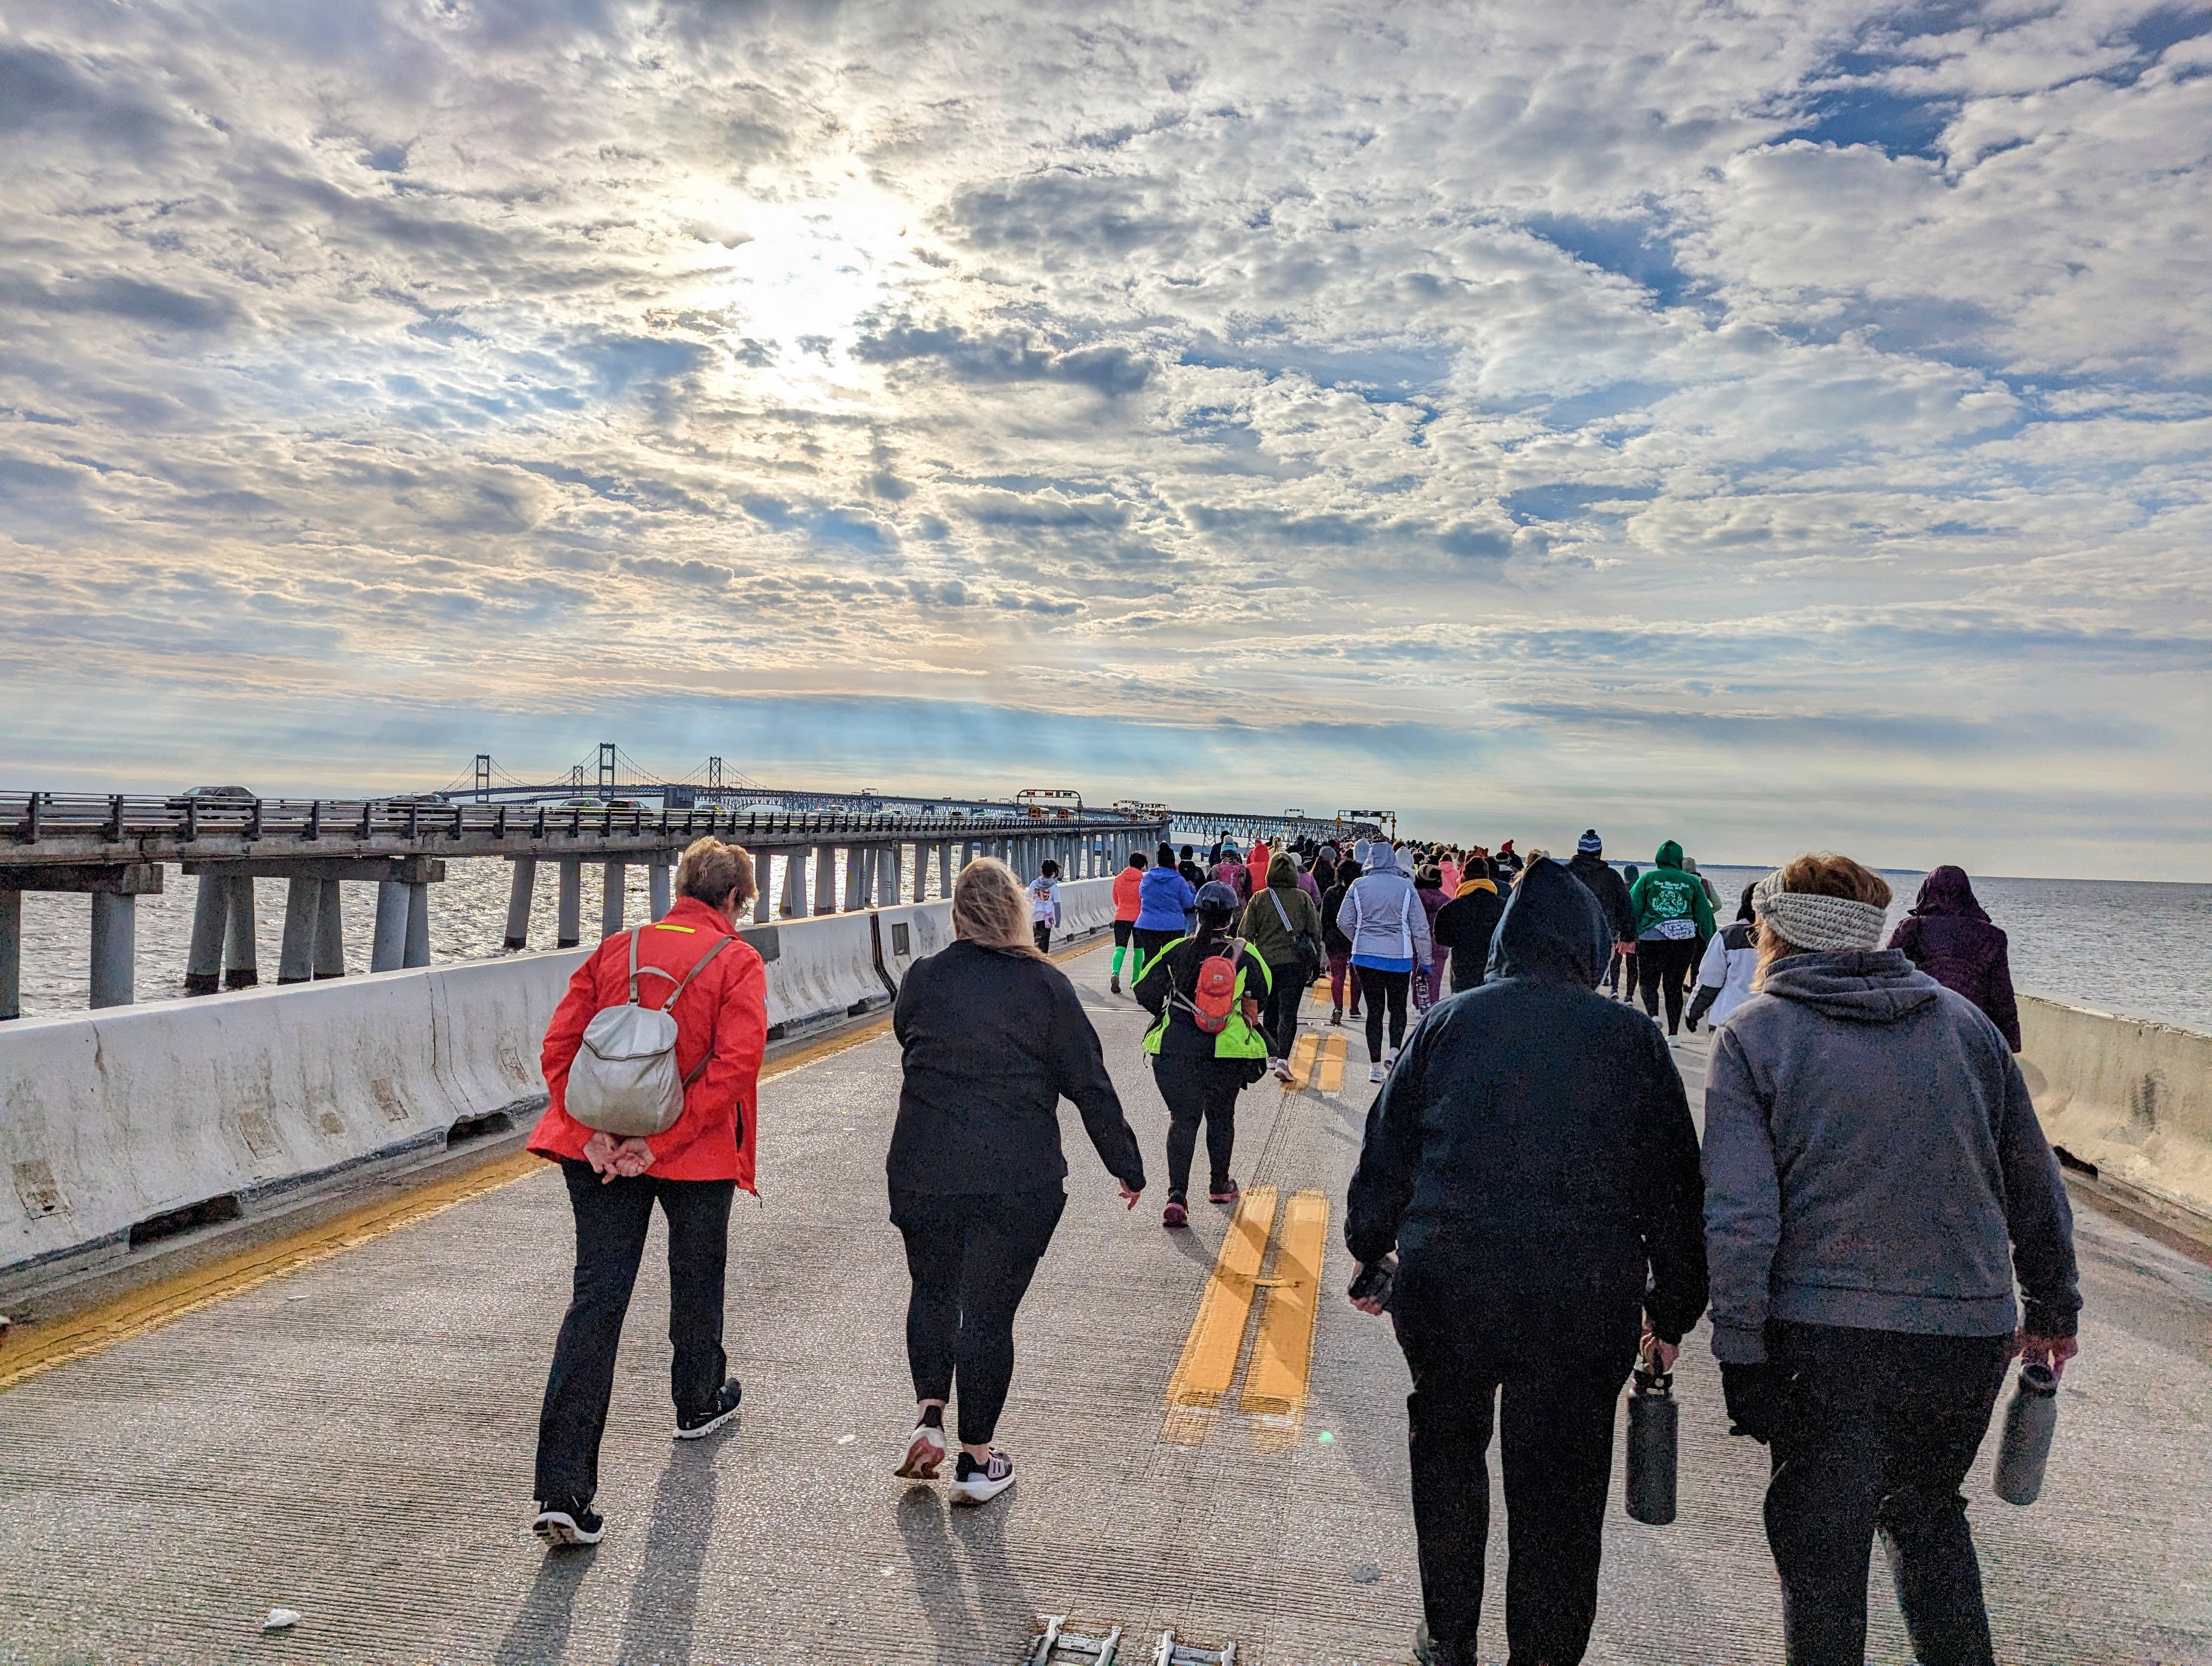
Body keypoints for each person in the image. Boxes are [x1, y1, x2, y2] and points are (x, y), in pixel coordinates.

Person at [1703, 854, 2079, 1666]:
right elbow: (2033, 1182)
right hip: (1966, 1337)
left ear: (1774, 932)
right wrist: (2054, 1309)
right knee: (1930, 1521)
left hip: (1824, 1338)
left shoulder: (1754, 1036)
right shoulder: (1966, 1027)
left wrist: (1739, 1348)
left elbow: (1739, 1217)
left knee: (1822, 1555)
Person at [1346, 858, 1708, 1666]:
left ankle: (1448, 1639)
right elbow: (1677, 1188)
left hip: (1450, 1286)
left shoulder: (1449, 1022)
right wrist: (1674, 1306)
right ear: (1589, 947)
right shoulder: (1633, 1039)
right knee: (1563, 1493)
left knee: (1446, 1456)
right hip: (1582, 1300)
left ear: (1507, 942)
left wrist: (1372, 1250)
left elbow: (1387, 1148)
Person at [528, 837, 769, 1548]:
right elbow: (734, 1070)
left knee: (595, 1305)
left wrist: (595, 1134)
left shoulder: (616, 949)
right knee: (697, 1280)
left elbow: (560, 1048)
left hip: (597, 1149)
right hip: (689, 1155)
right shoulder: (736, 961)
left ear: (682, 887)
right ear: (733, 901)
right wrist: (658, 1144)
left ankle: (563, 1492)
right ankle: (697, 1403)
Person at [887, 858, 1145, 1504]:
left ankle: (928, 1418)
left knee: (932, 1289)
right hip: (1016, 1175)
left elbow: (906, 1039)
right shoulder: (1045, 986)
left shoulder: (923, 978)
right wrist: (1125, 1163)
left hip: (922, 1166)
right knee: (990, 1311)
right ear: (1017, 912)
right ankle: (977, 1462)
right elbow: (1087, 1081)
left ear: (958, 913)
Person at [1133, 881, 1272, 1227]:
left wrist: (1167, 1012)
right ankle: (1219, 1184)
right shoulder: (1246, 954)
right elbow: (1265, 994)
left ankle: (1177, 1197)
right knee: (1221, 1117)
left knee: (1183, 1120)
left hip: (1176, 1049)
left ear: (1196, 913)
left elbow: (1143, 989)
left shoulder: (1176, 950)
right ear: (1232, 916)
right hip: (1226, 1052)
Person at [1888, 866, 2022, 1050]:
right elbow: (2001, 995)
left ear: (1926, 891)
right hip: (1971, 1029)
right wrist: (2009, 1045)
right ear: (1967, 894)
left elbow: (1885, 976)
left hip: (1917, 1027)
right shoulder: (1993, 936)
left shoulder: (1911, 929)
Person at [1337, 843, 1432, 1083]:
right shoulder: (1406, 886)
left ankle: (1375, 1067)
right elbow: (1420, 927)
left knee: (1374, 1011)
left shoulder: (1358, 885)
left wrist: (1360, 938)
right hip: (1399, 957)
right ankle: (1394, 1051)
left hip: (1365, 957)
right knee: (1398, 1008)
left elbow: (1343, 921)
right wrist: (1426, 960)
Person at [1239, 851, 1324, 1078]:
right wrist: (1316, 961)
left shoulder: (1259, 898)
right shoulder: (1303, 898)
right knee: (1289, 1012)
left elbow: (1245, 934)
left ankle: (1272, 1054)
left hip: (1265, 964)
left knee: (1271, 1008)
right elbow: (1315, 932)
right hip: (1295, 964)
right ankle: (1284, 1061)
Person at [1628, 840, 1715, 1035]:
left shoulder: (1647, 879)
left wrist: (1628, 935)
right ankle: (1673, 1034)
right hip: (1684, 940)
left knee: (1648, 983)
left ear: (1659, 858)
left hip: (1651, 939)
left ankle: (1653, 1016)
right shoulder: (1692, 881)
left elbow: (1632, 908)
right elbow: (1704, 914)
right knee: (1673, 987)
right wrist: (1712, 941)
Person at [1566, 831, 1637, 999]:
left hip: (1568, 937)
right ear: (1600, 852)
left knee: (1570, 980)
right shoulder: (1612, 877)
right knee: (1592, 982)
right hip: (1602, 939)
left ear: (1578, 850)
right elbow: (1626, 909)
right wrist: (1628, 937)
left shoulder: (1564, 873)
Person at [1686, 883, 1760, 1030]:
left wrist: (1693, 1013)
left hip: (1727, 1020)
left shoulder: (1726, 936)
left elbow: (1709, 982)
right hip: (1767, 1023)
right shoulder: (1784, 940)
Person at [1430, 855, 1506, 994]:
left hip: (1463, 973)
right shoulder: (1503, 906)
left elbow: (1441, 938)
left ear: (1463, 879)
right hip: (1493, 974)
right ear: (1486, 879)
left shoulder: (1452, 908)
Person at [1131, 849, 1197, 981]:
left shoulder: (1147, 878)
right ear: (1173, 861)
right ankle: (1171, 989)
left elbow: (1142, 896)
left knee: (1150, 959)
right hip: (1173, 927)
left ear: (1158, 861)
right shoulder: (1179, 881)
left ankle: (1146, 989)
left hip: (1147, 925)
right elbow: (1189, 903)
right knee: (1173, 960)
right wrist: (1192, 890)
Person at [1321, 856, 1362, 1027]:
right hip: (1355, 940)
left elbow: (1324, 919)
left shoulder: (1331, 892)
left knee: (1337, 976)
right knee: (1356, 976)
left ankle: (1338, 1008)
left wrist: (1325, 937)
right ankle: (1354, 1008)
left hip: (1335, 940)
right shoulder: (1359, 893)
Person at [1109, 850, 1147, 995]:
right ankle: (1135, 980)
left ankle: (1115, 973)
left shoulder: (1118, 879)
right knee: (1138, 951)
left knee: (1120, 948)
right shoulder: (1143, 880)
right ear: (1142, 866)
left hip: (1121, 917)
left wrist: (1123, 907)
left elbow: (1115, 898)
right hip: (1139, 918)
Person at [1413, 864, 1451, 1005]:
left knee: (1418, 974)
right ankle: (1433, 1002)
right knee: (1436, 977)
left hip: (1417, 941)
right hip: (1439, 943)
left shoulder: (1415, 897)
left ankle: (1417, 1004)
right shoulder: (1446, 901)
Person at [1027, 858, 1061, 954]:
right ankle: (1043, 958)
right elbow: (1057, 905)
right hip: (1048, 916)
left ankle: (1035, 957)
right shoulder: (1054, 888)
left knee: (1035, 939)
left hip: (1035, 914)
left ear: (1042, 871)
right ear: (1054, 873)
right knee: (1045, 940)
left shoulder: (1034, 884)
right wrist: (1058, 921)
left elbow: (1028, 900)